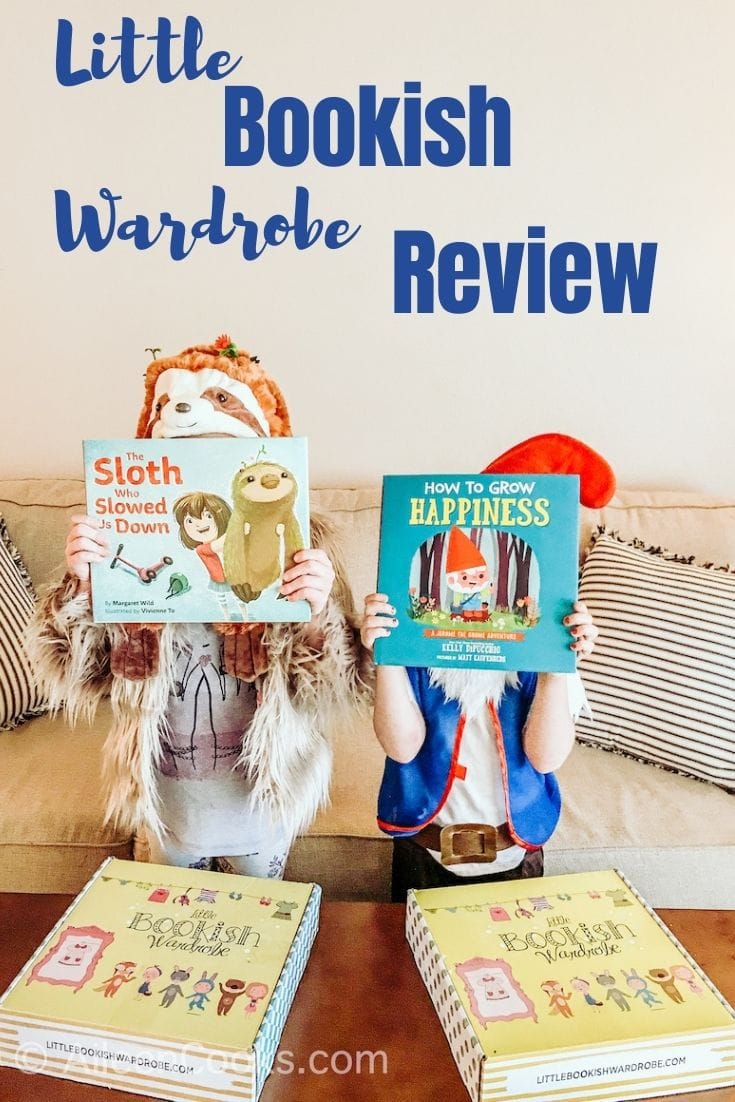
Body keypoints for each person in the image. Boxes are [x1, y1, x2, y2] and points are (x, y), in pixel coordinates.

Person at [28, 337, 369, 877]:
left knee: (258, 923)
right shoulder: (135, 554)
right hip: (166, 802)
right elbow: (79, 672)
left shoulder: (301, 543)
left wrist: (318, 607)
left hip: (259, 802)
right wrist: (82, 587)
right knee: (170, 929)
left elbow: (330, 688)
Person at [361, 434, 613, 902]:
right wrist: (387, 655)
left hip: (516, 851)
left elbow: (546, 758)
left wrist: (558, 662)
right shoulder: (421, 642)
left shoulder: (537, 650)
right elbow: (402, 746)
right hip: (423, 848)